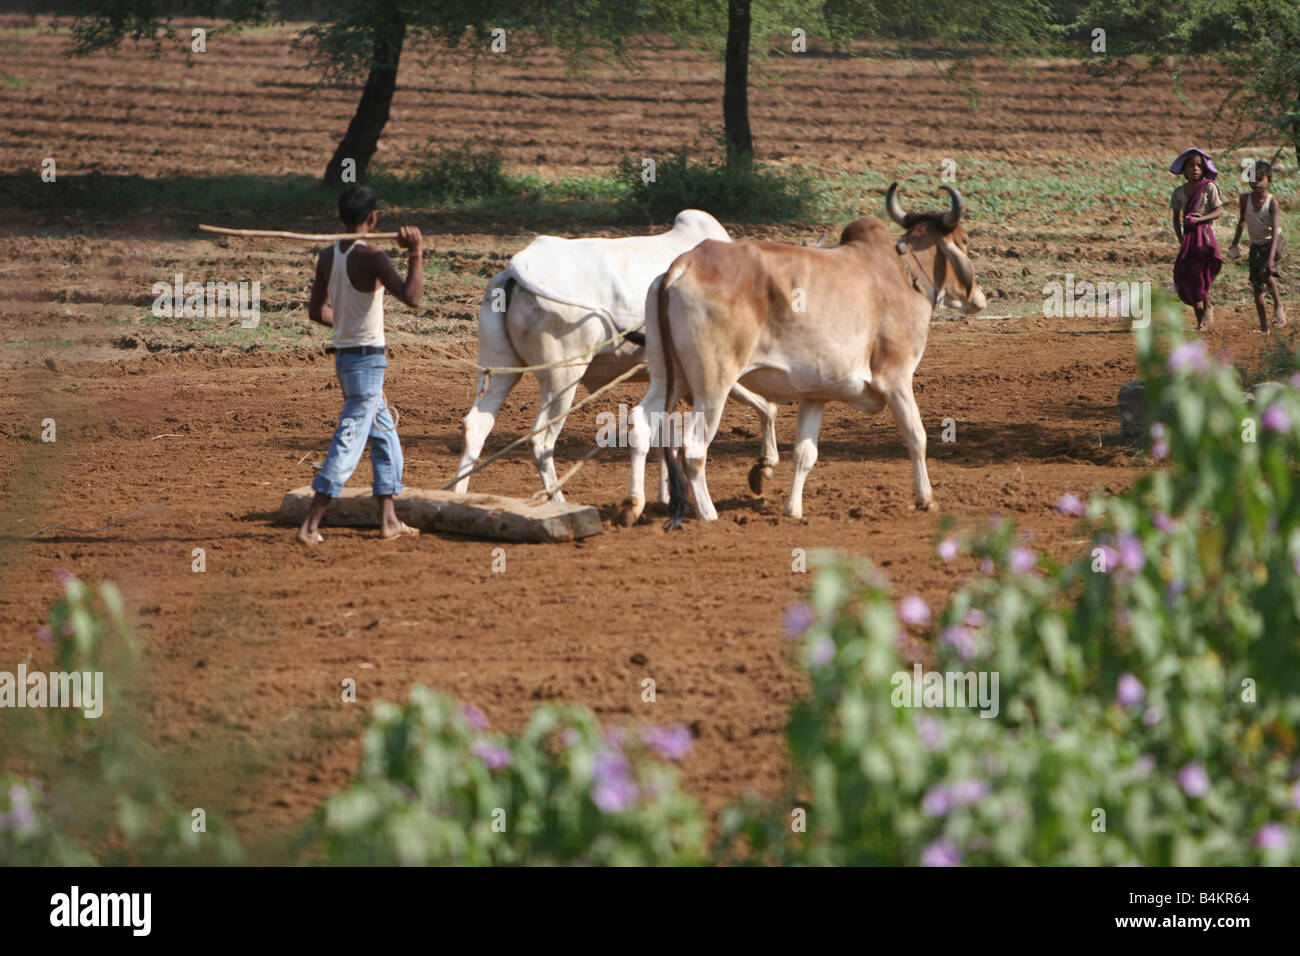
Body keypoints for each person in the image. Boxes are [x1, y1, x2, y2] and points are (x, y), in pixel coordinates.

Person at [296, 185, 424, 545]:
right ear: (373, 218)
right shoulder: (372, 256)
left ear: (340, 218)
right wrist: (415, 252)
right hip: (368, 364)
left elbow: (315, 312)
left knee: (384, 437)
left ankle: (389, 520)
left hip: (348, 362)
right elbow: (412, 298)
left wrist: (347, 323)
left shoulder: (327, 256)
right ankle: (310, 524)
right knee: (349, 438)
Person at [1169, 147, 1225, 331]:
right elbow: (1176, 219)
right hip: (1189, 238)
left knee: (1200, 273)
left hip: (1205, 238)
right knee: (1189, 274)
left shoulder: (1209, 187)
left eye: (1199, 166)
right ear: (1184, 169)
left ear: (1204, 169)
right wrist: (1181, 239)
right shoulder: (1179, 192)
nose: (1195, 169)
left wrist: (1200, 220)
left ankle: (1207, 305)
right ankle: (1199, 315)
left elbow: (1218, 211)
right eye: (1191, 165)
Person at [1228, 159, 1287, 332]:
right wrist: (1234, 244)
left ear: (1269, 180)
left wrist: (1270, 260)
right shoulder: (1245, 199)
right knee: (1257, 286)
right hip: (1256, 245)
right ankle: (1263, 327)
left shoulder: (1272, 202)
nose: (1256, 183)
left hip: (1274, 242)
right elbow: (1242, 221)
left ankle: (1278, 305)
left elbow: (1275, 230)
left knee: (1265, 272)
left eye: (1260, 179)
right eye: (1252, 179)